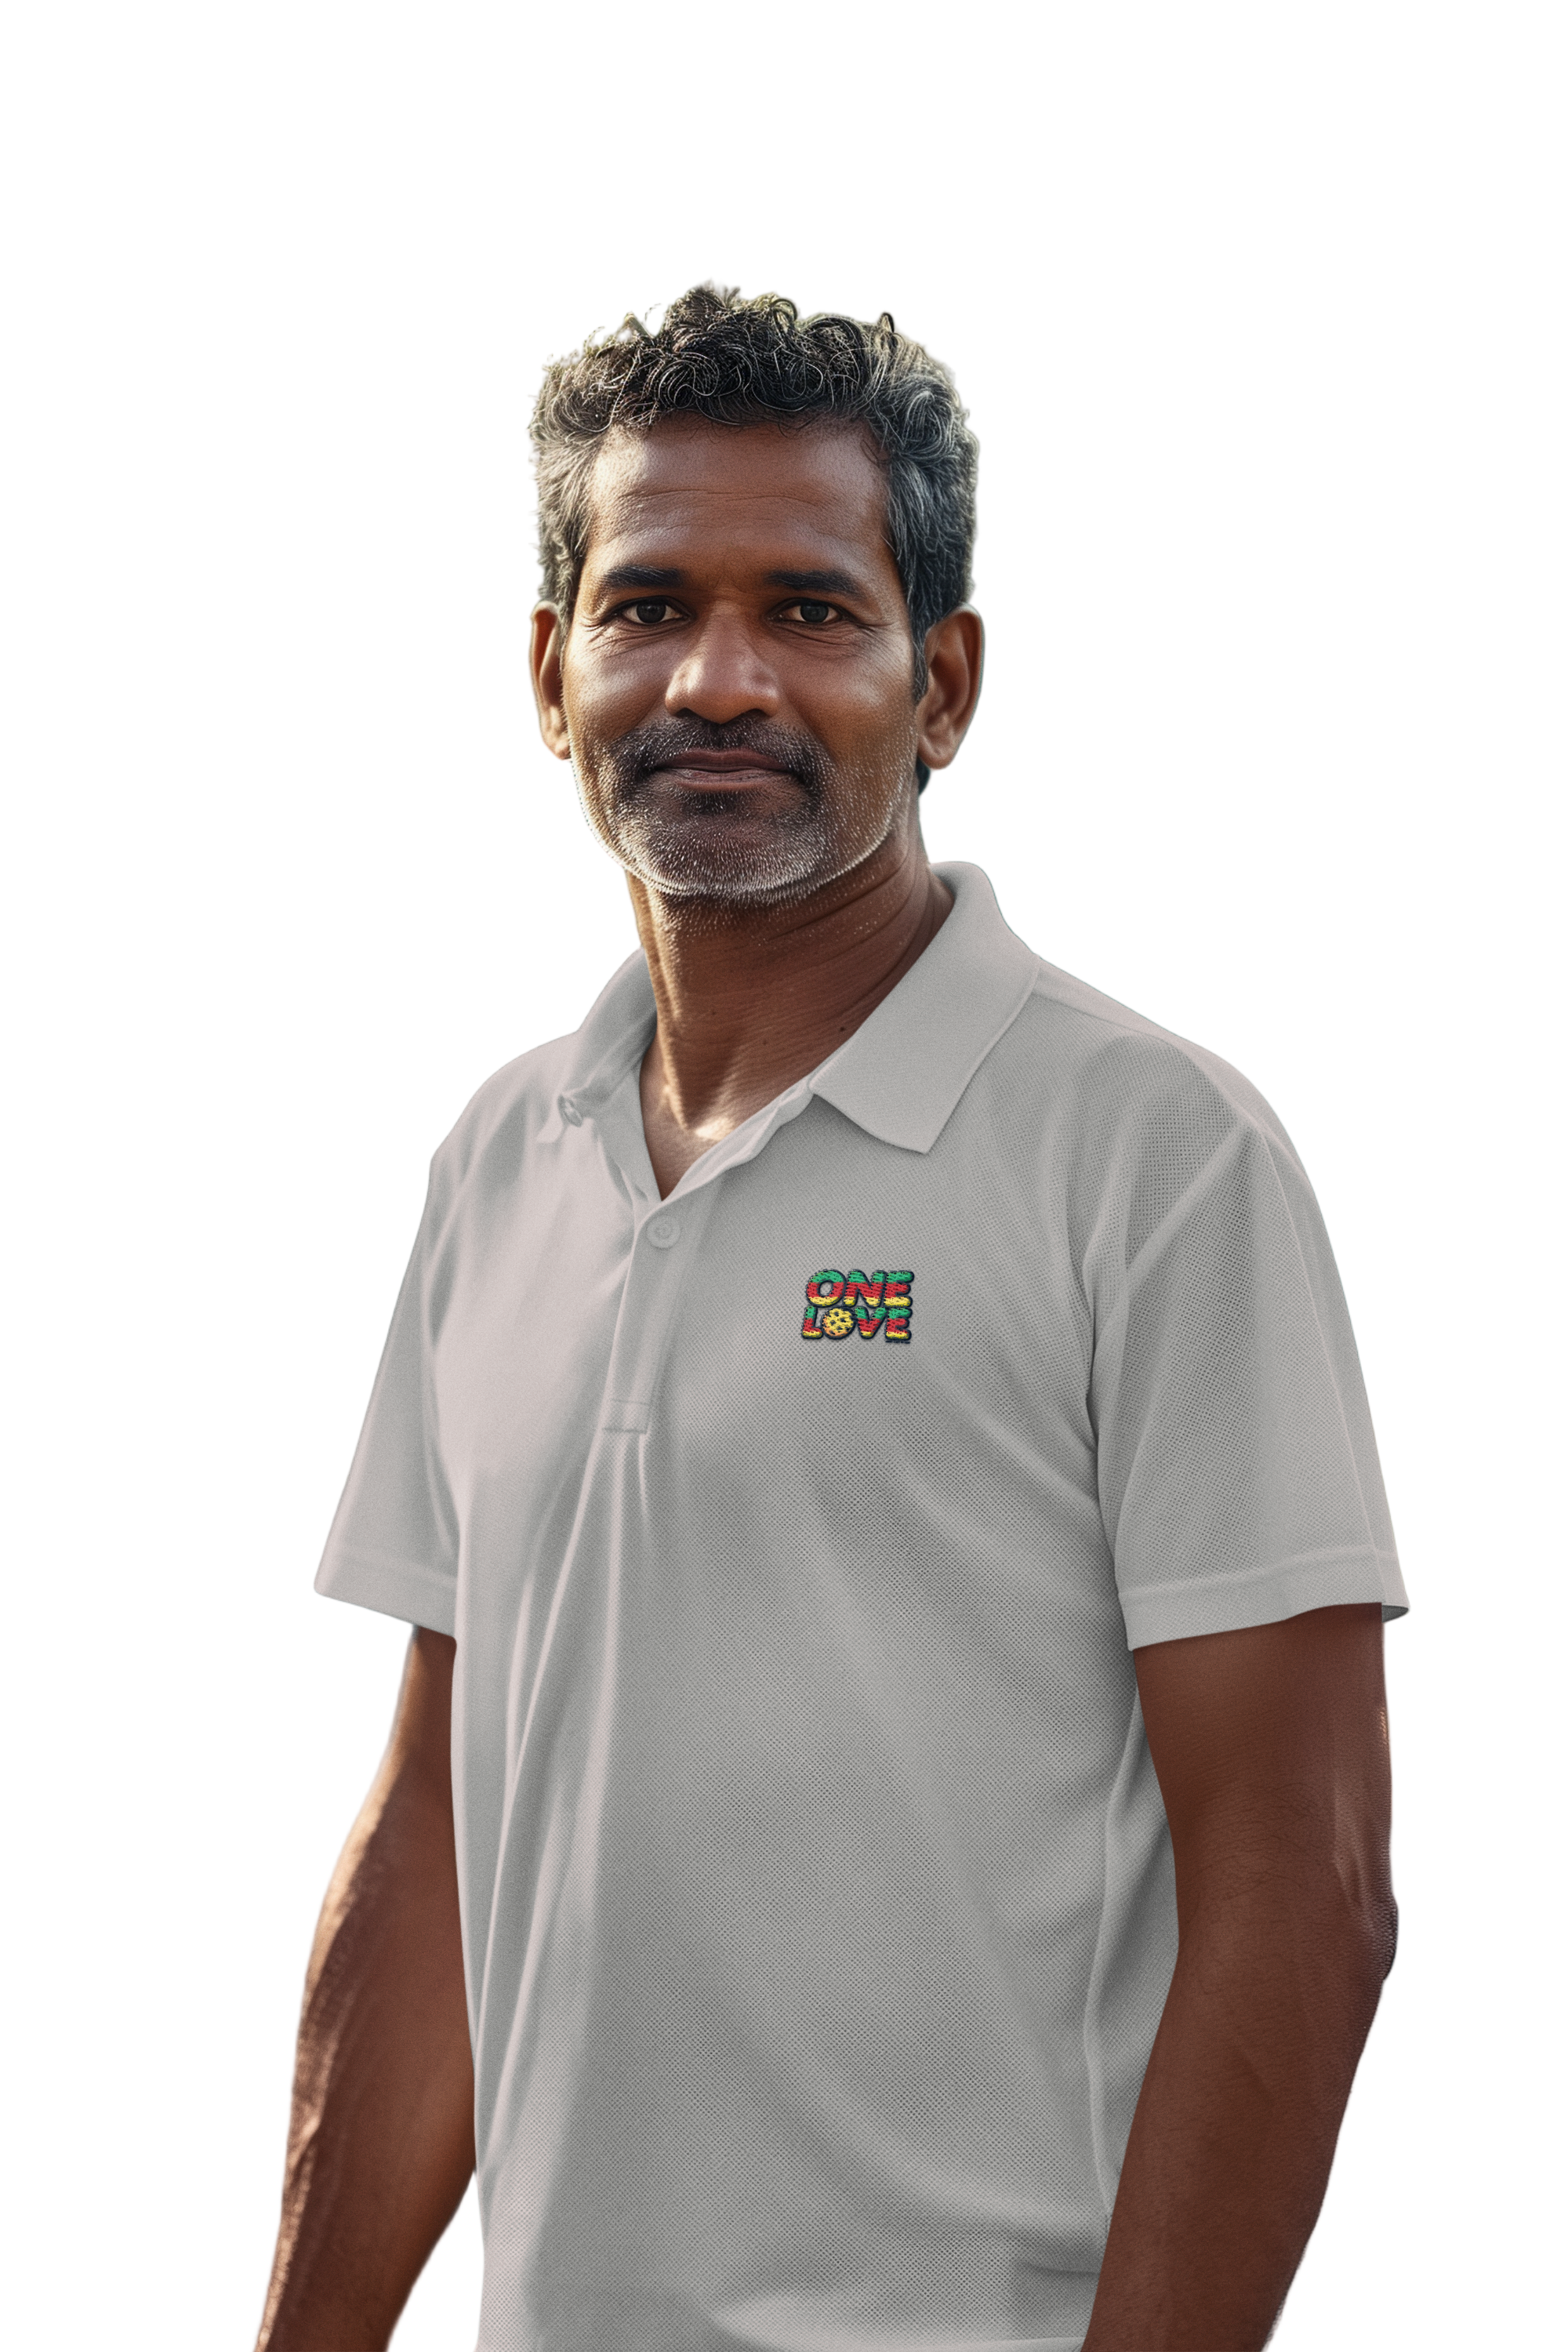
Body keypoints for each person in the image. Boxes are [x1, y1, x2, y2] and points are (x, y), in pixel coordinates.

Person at [255, 286, 1405, 2352]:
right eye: (646, 608)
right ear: (548, 670)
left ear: (941, 682)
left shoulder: (1151, 1159)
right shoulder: (498, 1165)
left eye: (808, 610)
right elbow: (441, 1833)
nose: (716, 678)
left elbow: (1304, 1897)